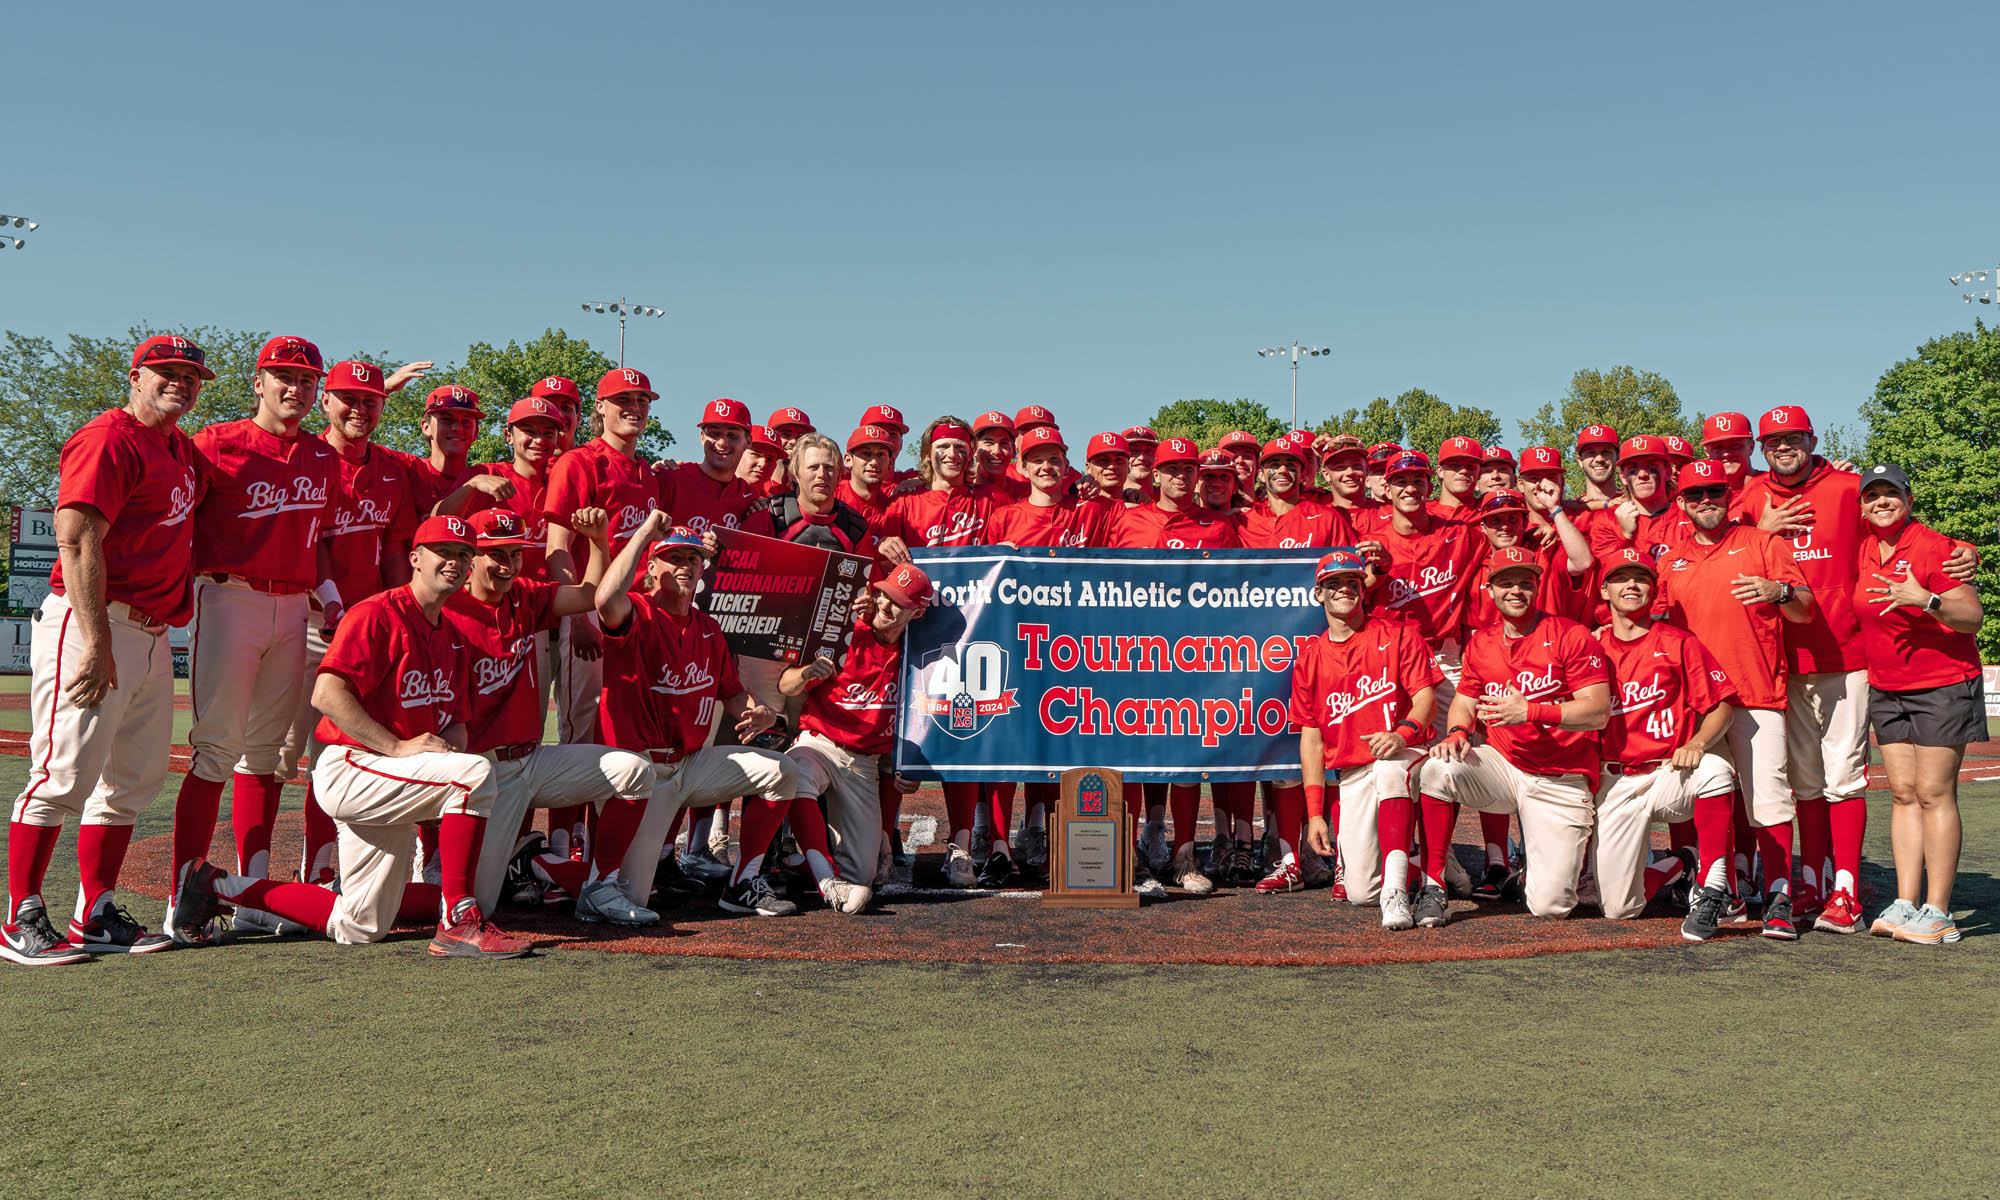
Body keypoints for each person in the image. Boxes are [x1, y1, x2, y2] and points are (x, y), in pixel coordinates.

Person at [172, 515, 533, 959]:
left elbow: (455, 722)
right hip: (352, 766)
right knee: (473, 775)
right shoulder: (378, 613)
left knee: (360, 924)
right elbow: (327, 694)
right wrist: (400, 749)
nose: (455, 562)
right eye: (444, 552)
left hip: (396, 777)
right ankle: (458, 922)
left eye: (463, 554)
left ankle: (216, 884)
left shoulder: (453, 636)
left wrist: (444, 760)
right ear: (416, 559)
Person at [3, 335, 208, 965]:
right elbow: (77, 540)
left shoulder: (176, 446)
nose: (179, 381)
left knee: (130, 782)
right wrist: (94, 641)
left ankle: (94, 912)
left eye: (190, 374)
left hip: (150, 630)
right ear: (136, 376)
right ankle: (19, 918)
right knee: (63, 772)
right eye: (166, 371)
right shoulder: (109, 438)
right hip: (96, 623)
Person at [595, 514, 868, 917]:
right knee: (629, 893)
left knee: (782, 770)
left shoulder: (708, 627)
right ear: (651, 568)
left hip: (689, 764)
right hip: (642, 773)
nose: (685, 566)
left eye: (693, 558)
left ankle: (742, 882)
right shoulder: (639, 612)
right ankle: (536, 863)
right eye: (673, 558)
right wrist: (644, 534)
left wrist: (754, 713)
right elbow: (604, 601)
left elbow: (733, 694)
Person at [165, 335, 342, 944]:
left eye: (306, 379)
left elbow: (316, 536)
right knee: (216, 748)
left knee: (265, 755)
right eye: (284, 376)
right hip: (229, 595)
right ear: (258, 382)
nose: (296, 388)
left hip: (294, 606)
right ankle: (181, 896)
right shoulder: (214, 443)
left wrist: (329, 593)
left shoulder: (323, 457)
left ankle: (252, 893)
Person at [442, 507, 657, 925]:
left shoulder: (523, 594)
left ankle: (597, 886)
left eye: (515, 554)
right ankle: (524, 864)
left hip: (534, 760)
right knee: (479, 906)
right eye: (496, 555)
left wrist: (598, 541)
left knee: (634, 770)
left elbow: (589, 593)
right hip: (482, 772)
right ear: (471, 559)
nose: (507, 565)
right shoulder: (446, 611)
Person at [275, 360, 421, 904]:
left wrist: (398, 615)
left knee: (349, 753)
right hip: (312, 621)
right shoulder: (310, 458)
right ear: (326, 402)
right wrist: (337, 609)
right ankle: (269, 872)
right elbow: (308, 541)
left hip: (370, 630)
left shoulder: (389, 467)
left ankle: (328, 869)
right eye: (349, 399)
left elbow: (394, 549)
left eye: (371, 400)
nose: (360, 409)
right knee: (283, 753)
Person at [1655, 458, 1814, 939]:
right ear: (1681, 503)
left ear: (1730, 497)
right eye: (1695, 495)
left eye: (1715, 493)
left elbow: (1806, 610)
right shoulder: (1669, 560)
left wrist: (1779, 589)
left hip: (1756, 689)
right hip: (1700, 702)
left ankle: (1780, 895)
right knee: (1712, 799)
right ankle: (1718, 889)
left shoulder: (1762, 542)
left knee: (1768, 799)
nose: (1707, 501)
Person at [1421, 547, 1611, 924]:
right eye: (1505, 582)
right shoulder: (1482, 641)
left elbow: (1598, 711)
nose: (1516, 590)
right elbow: (1463, 702)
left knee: (1551, 906)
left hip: (1561, 777)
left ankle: (1525, 877)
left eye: (1525, 582)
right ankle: (1433, 885)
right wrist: (1458, 730)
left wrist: (1532, 711)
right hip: (1505, 765)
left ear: (1537, 587)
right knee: (1437, 767)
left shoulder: (1570, 634)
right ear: (1489, 590)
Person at [1852, 464, 1984, 945]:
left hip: (1942, 684)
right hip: (1887, 686)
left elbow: (1971, 617)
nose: (1881, 502)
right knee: (1903, 792)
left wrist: (1926, 599)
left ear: (1909, 499)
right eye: (1872, 495)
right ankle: (1906, 902)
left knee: (1934, 793)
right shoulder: (1864, 546)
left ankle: (1940, 911)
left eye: (1891, 493)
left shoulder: (1935, 547)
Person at [1590, 550, 1740, 941]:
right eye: (1621, 579)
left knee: (1715, 770)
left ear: (1653, 591)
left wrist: (1699, 742)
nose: (1632, 586)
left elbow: (1722, 705)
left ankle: (1712, 884)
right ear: (1605, 591)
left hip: (1666, 771)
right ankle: (1679, 862)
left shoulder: (1677, 642)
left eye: (1641, 579)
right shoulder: (1588, 647)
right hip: (1614, 778)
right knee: (1619, 909)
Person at [877, 418, 997, 887]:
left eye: (961, 447)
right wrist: (885, 547)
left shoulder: (990, 502)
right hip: (911, 634)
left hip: (966, 632)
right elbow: (878, 570)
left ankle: (961, 847)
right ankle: (885, 843)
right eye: (943, 447)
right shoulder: (904, 503)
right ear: (928, 453)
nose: (953, 454)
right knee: (899, 737)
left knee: (960, 731)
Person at [1294, 550, 1439, 926]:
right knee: (1359, 893)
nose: (1344, 589)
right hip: (1353, 773)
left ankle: (1399, 889)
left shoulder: (1397, 634)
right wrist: (1314, 814)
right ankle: (1415, 866)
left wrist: (1403, 733)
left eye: (1352, 583)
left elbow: (1425, 698)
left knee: (1390, 767)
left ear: (1363, 589)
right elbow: (1311, 740)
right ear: (1319, 594)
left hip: (1405, 754)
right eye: (1334, 584)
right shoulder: (1310, 657)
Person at [541, 367, 666, 781]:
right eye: (623, 401)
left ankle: (601, 832)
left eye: (641, 401)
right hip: (589, 613)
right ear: (600, 407)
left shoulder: (647, 473)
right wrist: (576, 616)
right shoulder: (579, 462)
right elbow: (556, 548)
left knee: (625, 728)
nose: (634, 408)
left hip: (634, 616)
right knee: (582, 728)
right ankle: (566, 838)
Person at [781, 564, 933, 891]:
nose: (885, 605)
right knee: (793, 774)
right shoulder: (846, 634)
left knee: (862, 877)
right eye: (884, 595)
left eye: (898, 602)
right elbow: (786, 685)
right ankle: (811, 862)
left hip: (864, 763)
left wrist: (911, 765)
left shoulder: (919, 654)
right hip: (820, 744)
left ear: (917, 612)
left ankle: (799, 862)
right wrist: (807, 672)